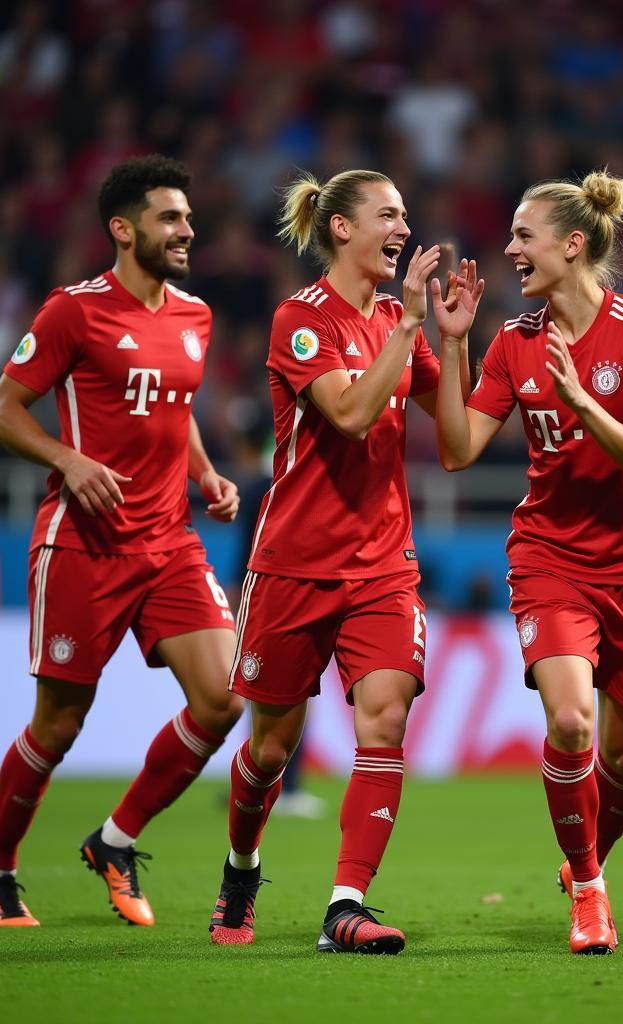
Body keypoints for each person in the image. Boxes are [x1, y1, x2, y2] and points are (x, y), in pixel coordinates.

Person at [0, 155, 243, 928]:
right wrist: (68, 457)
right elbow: (0, 410)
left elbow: (175, 405)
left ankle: (116, 839)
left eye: (188, 217)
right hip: (82, 547)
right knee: (58, 726)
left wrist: (206, 472)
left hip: (170, 542)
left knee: (224, 699)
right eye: (169, 218)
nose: (187, 230)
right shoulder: (74, 311)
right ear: (123, 230)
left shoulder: (195, 316)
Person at [208, 169, 470, 953]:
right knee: (269, 750)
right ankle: (242, 867)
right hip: (292, 565)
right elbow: (352, 414)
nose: (403, 228)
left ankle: (346, 905)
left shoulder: (401, 317)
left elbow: (456, 445)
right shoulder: (301, 318)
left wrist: (451, 343)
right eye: (387, 215)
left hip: (383, 565)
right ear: (342, 229)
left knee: (384, 717)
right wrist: (411, 329)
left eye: (405, 215)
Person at [434, 170, 623, 956]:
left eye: (524, 235)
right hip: (551, 560)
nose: (509, 250)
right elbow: (456, 451)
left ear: (574, 245)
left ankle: (584, 862)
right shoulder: (515, 342)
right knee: (572, 722)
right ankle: (590, 891)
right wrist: (452, 344)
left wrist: (582, 404)